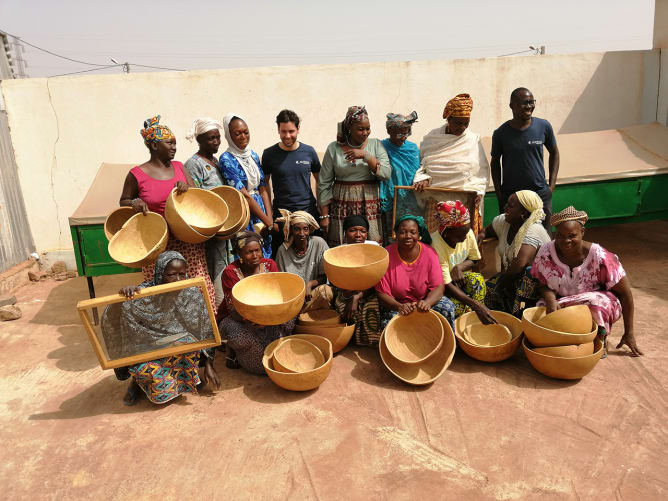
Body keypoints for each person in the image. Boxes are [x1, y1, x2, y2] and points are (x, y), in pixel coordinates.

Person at [119, 115, 216, 304]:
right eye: (169, 143)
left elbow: (197, 197)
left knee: (197, 286)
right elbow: (124, 200)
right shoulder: (136, 174)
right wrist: (134, 203)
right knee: (160, 290)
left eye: (175, 143)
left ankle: (204, 329)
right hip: (156, 243)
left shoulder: (180, 167)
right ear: (154, 146)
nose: (174, 147)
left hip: (187, 240)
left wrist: (187, 189)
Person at [107, 251, 220, 406]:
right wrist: (124, 298)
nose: (178, 280)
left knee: (190, 343)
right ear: (160, 274)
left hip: (177, 348)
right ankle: (137, 383)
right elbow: (123, 328)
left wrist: (208, 364)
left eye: (182, 274)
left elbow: (205, 330)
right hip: (149, 350)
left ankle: (184, 379)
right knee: (145, 372)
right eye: (172, 275)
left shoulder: (191, 292)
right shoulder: (143, 294)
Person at [531, 207, 643, 357]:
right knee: (539, 314)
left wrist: (629, 333)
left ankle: (598, 340)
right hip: (561, 303)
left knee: (595, 302)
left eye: (572, 235)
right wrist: (550, 300)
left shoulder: (600, 257)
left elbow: (626, 294)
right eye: (560, 235)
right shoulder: (546, 252)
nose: (565, 241)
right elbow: (542, 283)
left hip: (595, 305)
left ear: (583, 232)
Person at [218, 232, 295, 373]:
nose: (255, 256)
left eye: (257, 250)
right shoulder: (230, 272)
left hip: (267, 314)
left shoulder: (269, 265)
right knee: (258, 364)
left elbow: (277, 296)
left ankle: (275, 341)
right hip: (239, 317)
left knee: (290, 318)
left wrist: (269, 317)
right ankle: (233, 351)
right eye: (249, 252)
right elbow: (233, 310)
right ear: (239, 254)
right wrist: (257, 319)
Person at [413, 93, 489, 232]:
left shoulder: (472, 140)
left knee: (463, 244)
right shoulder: (433, 139)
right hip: (436, 200)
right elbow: (423, 165)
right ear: (449, 118)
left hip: (465, 201)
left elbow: (480, 172)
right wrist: (423, 178)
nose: (462, 127)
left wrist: (478, 191)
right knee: (436, 243)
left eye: (466, 123)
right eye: (458, 123)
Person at [317, 106, 391, 246]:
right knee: (342, 245)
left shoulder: (375, 145)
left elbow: (386, 173)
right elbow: (324, 183)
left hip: (369, 204)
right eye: (360, 129)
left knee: (370, 246)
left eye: (368, 128)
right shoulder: (334, 148)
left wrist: (365, 156)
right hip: (341, 205)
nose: (365, 133)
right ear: (349, 128)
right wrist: (325, 215)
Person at [490, 88, 560, 229]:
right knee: (512, 238)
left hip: (540, 194)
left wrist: (551, 187)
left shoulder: (543, 126)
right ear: (512, 106)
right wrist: (500, 194)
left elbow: (554, 153)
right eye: (524, 103)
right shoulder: (500, 133)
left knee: (543, 238)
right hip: (512, 196)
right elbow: (495, 163)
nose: (529, 106)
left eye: (531, 102)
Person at [375, 215, 455, 329]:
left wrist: (427, 302)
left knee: (447, 307)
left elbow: (438, 287)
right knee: (389, 325)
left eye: (413, 232)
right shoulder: (385, 256)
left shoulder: (429, 253)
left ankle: (445, 345)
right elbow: (382, 293)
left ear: (419, 235)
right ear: (396, 235)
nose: (408, 236)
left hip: (424, 301)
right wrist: (399, 306)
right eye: (403, 232)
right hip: (397, 305)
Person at [478, 190, 550, 316]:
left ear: (523, 213)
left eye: (510, 206)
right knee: (484, 292)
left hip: (540, 285)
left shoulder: (533, 229)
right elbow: (487, 230)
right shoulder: (504, 221)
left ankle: (520, 318)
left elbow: (519, 266)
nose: (505, 207)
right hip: (511, 277)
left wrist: (498, 287)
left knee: (526, 274)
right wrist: (481, 235)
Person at [261, 109, 322, 257]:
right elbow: (264, 186)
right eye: (283, 131)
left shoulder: (309, 152)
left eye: (291, 131)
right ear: (278, 130)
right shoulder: (269, 154)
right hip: (282, 216)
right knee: (282, 256)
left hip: (308, 213)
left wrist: (321, 208)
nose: (287, 136)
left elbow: (320, 180)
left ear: (298, 129)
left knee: (310, 254)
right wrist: (269, 217)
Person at [184, 117, 231, 307]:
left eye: (218, 138)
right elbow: (195, 199)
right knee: (215, 270)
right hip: (210, 230)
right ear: (199, 140)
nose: (216, 142)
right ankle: (217, 312)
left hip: (224, 226)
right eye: (211, 138)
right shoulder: (193, 164)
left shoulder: (216, 161)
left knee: (225, 267)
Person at [431, 201, 495, 323]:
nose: (466, 238)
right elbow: (446, 284)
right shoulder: (435, 245)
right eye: (461, 234)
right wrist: (474, 304)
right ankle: (467, 321)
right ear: (447, 232)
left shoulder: (467, 232)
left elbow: (475, 259)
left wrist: (459, 267)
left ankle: (475, 319)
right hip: (442, 288)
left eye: (466, 232)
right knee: (455, 308)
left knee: (478, 280)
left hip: (457, 281)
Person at [219, 113, 273, 258]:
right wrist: (266, 220)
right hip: (245, 212)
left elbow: (263, 188)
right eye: (237, 134)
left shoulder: (253, 155)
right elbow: (244, 194)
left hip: (261, 210)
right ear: (229, 136)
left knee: (264, 252)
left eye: (246, 132)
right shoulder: (226, 159)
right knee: (249, 253)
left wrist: (269, 218)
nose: (243, 137)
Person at [333, 215, 382, 346]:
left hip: (369, 292)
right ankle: (348, 339)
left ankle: (371, 341)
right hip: (346, 293)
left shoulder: (374, 249)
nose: (358, 235)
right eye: (353, 230)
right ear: (345, 233)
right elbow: (336, 282)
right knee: (342, 306)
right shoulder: (338, 253)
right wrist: (351, 297)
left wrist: (358, 296)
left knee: (372, 305)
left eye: (363, 231)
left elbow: (378, 279)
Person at [380, 111, 421, 245]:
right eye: (399, 133)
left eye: (406, 133)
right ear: (389, 131)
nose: (403, 137)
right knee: (392, 237)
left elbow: (420, 170)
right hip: (390, 201)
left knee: (410, 238)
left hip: (410, 201)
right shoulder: (381, 147)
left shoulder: (413, 149)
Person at [275, 209, 329, 303]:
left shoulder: (319, 243)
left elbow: (324, 277)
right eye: (297, 229)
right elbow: (281, 282)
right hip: (292, 297)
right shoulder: (283, 251)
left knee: (326, 292)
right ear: (291, 230)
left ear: (309, 230)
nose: (302, 233)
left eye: (305, 229)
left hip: (313, 294)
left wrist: (309, 285)